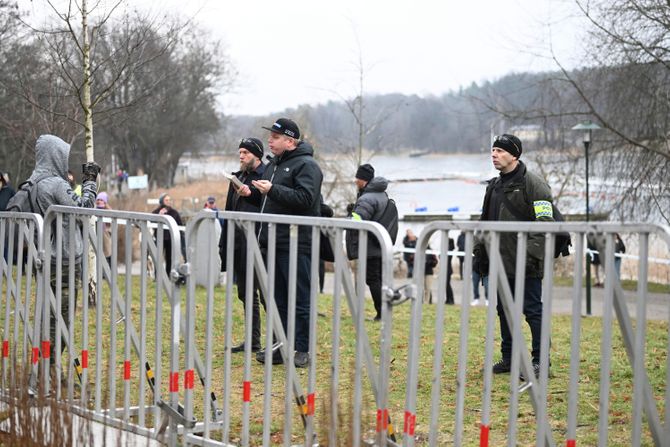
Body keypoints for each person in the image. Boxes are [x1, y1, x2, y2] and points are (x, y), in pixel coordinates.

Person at [240, 118, 322, 369]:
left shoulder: (308, 166)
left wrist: (271, 190)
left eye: (275, 137)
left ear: (290, 141)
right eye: (270, 136)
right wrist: (251, 194)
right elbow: (270, 200)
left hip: (296, 242)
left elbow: (305, 199)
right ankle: (280, 345)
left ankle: (302, 349)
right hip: (272, 242)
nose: (269, 141)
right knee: (276, 299)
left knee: (300, 298)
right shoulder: (273, 164)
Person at [473, 134, 554, 380]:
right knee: (504, 310)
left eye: (499, 150)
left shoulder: (535, 184)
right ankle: (509, 358)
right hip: (499, 262)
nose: (494, 154)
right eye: (493, 150)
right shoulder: (494, 186)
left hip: (526, 263)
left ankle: (541, 361)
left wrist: (529, 257)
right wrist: (480, 253)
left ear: (514, 155)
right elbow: (485, 222)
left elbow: (545, 224)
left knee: (532, 311)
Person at [26, 135, 99, 361]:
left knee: (47, 317)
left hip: (47, 256)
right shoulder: (55, 184)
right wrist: (90, 181)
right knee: (61, 320)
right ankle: (49, 373)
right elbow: (84, 209)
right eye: (63, 155)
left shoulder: (34, 181)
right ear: (54, 155)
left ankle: (44, 372)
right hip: (65, 260)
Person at [219, 137, 266, 353]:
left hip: (258, 242)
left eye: (245, 153)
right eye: (240, 153)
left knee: (266, 294)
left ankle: (278, 341)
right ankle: (253, 340)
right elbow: (229, 211)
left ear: (256, 155)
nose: (241, 156)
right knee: (246, 293)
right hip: (239, 243)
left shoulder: (266, 176)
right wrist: (225, 242)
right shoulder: (236, 178)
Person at [347, 163, 395, 321]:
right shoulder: (382, 194)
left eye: (358, 178)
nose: (355, 181)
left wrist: (351, 214)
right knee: (379, 278)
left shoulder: (367, 197)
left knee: (372, 279)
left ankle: (382, 313)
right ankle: (384, 311)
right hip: (380, 243)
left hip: (370, 246)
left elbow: (358, 220)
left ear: (364, 180)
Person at [151, 193, 184, 276]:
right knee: (158, 257)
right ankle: (157, 275)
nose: (169, 201)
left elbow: (180, 225)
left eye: (169, 200)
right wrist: (159, 216)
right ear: (162, 201)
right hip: (159, 238)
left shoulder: (174, 213)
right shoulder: (156, 212)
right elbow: (150, 222)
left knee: (169, 258)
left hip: (170, 238)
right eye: (166, 200)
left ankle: (168, 275)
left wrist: (180, 237)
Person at [95, 191, 112, 267]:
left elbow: (111, 224)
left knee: (106, 252)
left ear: (105, 202)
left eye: (101, 200)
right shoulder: (94, 210)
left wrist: (108, 230)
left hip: (105, 235)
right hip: (96, 235)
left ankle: (109, 270)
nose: (99, 201)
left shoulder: (108, 211)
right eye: (98, 199)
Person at [445, 237, 455, 305]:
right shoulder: (447, 250)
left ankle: (451, 299)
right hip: (446, 269)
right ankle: (448, 299)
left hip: (448, 269)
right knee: (446, 285)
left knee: (447, 285)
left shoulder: (449, 250)